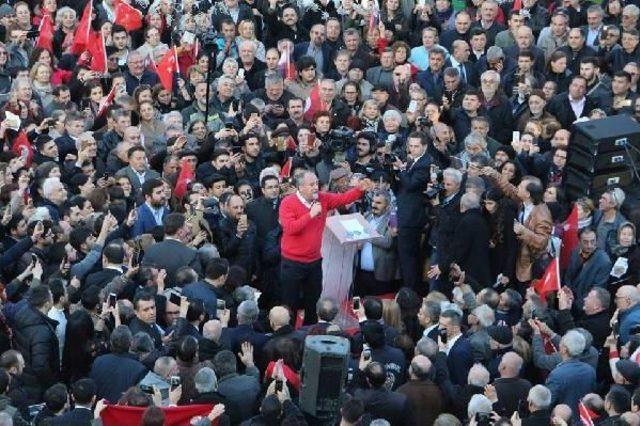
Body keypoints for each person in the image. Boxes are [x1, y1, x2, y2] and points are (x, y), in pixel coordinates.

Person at [279, 171, 372, 324]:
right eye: (311, 185)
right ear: (300, 187)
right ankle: (289, 337)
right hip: (292, 262)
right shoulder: (288, 203)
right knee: (290, 303)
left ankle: (310, 332)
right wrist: (310, 214)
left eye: (316, 183)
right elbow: (290, 228)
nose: (316, 187)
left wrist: (359, 190)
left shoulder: (323, 198)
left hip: (314, 261)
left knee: (313, 302)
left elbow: (343, 199)